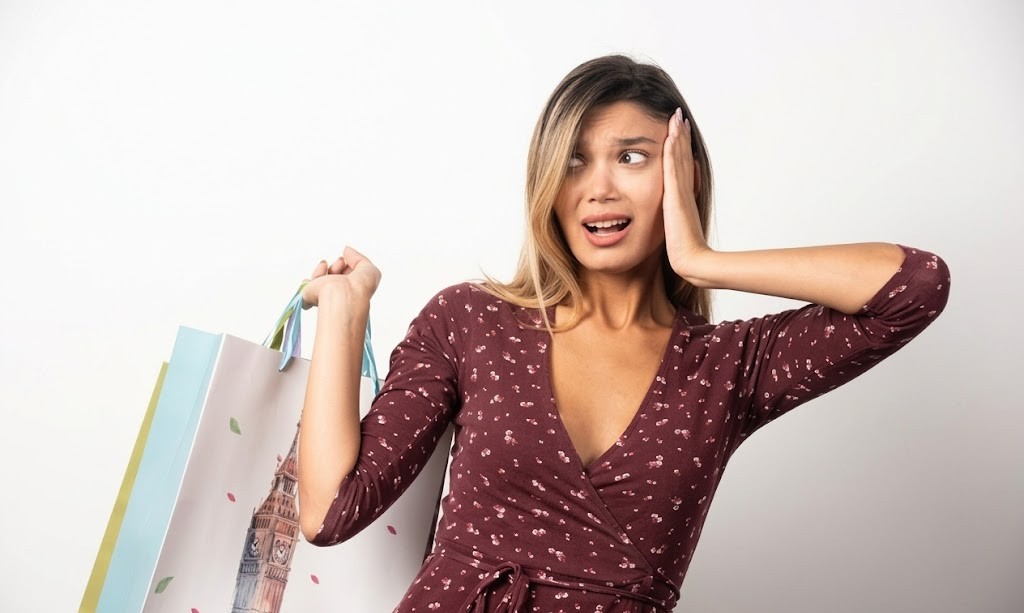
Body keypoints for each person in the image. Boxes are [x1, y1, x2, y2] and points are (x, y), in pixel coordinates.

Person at [295, 54, 950, 612]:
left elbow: (916, 284)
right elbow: (328, 513)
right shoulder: (472, 319)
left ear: (681, 174)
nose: (597, 188)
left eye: (631, 157)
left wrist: (702, 260)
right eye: (574, 161)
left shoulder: (728, 365)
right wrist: (346, 315)